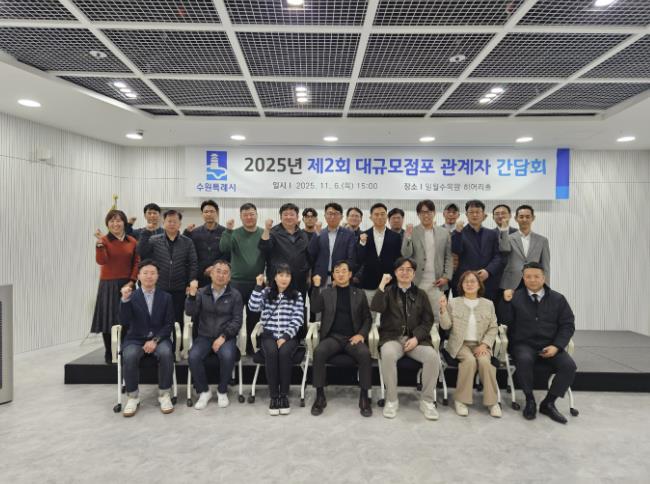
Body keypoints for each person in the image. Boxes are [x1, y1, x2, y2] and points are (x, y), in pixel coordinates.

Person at [500, 262, 576, 424]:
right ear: (523, 278)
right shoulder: (515, 297)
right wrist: (505, 302)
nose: (532, 280)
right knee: (524, 359)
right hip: (523, 344)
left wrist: (557, 346)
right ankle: (530, 400)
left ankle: (549, 403)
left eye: (536, 276)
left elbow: (568, 325)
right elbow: (505, 321)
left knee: (569, 366)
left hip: (551, 344)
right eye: (528, 276)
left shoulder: (558, 299)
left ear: (543, 278)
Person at [371, 257, 440, 420]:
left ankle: (427, 401)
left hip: (416, 341)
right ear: (395, 273)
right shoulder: (388, 291)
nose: (405, 273)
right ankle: (391, 400)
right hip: (392, 338)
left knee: (432, 356)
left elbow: (428, 321)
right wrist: (382, 285)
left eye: (409, 270)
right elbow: (376, 307)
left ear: (414, 274)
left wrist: (416, 338)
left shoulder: (421, 294)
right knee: (388, 354)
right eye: (401, 269)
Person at [309, 260, 373, 417]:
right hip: (333, 337)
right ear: (333, 275)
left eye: (344, 271)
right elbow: (315, 308)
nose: (341, 274)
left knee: (365, 354)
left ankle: (364, 397)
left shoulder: (359, 293)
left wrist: (361, 334)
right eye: (337, 271)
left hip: (353, 338)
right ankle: (320, 396)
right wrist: (316, 287)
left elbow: (367, 318)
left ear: (350, 274)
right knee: (319, 352)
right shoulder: (327, 293)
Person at [439, 271, 500, 418]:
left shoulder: (488, 304)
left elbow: (493, 327)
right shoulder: (453, 303)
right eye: (466, 282)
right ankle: (461, 400)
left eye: (473, 281)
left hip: (481, 344)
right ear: (461, 285)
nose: (470, 284)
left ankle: (492, 402)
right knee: (469, 361)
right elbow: (446, 326)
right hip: (460, 344)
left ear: (479, 285)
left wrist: (485, 345)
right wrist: (443, 309)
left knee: (485, 362)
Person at [118, 260, 175, 417]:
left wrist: (155, 340)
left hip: (159, 338)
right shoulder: (131, 296)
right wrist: (124, 300)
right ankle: (133, 397)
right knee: (129, 355)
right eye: (145, 273)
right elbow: (124, 321)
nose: (149, 276)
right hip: (135, 338)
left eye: (152, 273)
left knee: (166, 353)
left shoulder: (166, 297)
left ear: (158, 276)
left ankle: (164, 394)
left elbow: (169, 324)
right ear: (138, 276)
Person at [185, 261, 243, 410]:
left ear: (229, 277)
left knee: (228, 355)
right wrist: (192, 295)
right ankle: (204, 391)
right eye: (218, 271)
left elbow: (237, 321)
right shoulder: (201, 292)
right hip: (204, 336)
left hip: (226, 336)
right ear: (211, 273)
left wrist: (223, 337)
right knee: (193, 356)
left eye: (225, 272)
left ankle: (222, 390)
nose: (221, 275)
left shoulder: (235, 295)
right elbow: (190, 312)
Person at [248, 265, 305, 416]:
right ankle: (274, 396)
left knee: (284, 353)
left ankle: (284, 395)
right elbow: (253, 307)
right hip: (269, 335)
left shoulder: (296, 295)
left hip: (289, 336)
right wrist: (258, 286)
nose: (284, 278)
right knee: (272, 352)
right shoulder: (266, 292)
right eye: (281, 275)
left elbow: (298, 318)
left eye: (287, 275)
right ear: (275, 277)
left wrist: (285, 336)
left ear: (291, 278)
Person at [91, 209, 139, 364]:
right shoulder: (103, 240)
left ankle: (125, 349)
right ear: (107, 224)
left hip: (128, 284)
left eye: (118, 220)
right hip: (108, 284)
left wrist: (132, 281)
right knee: (108, 320)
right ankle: (109, 351)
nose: (115, 224)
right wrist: (99, 244)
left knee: (127, 319)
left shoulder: (132, 241)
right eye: (112, 221)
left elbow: (136, 263)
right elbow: (101, 261)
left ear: (124, 223)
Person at [137, 209, 198, 331]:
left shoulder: (187, 242)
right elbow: (141, 252)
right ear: (163, 223)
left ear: (180, 224)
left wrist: (191, 281)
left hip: (179, 287)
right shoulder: (154, 240)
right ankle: (160, 341)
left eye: (175, 221)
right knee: (158, 317)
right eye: (169, 221)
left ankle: (177, 342)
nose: (172, 224)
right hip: (159, 287)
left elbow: (193, 263)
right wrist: (145, 233)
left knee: (177, 319)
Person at [219, 202, 265, 352]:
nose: (249, 217)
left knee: (254, 316)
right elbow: (224, 248)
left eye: (252, 214)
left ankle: (252, 348)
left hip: (257, 283)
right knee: (233, 316)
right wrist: (228, 230)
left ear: (257, 215)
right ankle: (231, 347)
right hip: (237, 282)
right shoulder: (234, 233)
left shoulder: (263, 233)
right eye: (245, 215)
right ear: (241, 217)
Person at [401, 199, 452, 323]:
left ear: (434, 213)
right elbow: (406, 254)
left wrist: (446, 277)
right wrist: (407, 236)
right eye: (422, 212)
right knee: (416, 315)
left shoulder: (444, 233)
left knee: (437, 316)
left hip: (437, 282)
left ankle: (435, 336)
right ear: (418, 214)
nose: (426, 215)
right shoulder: (412, 231)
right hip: (417, 281)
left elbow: (448, 257)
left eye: (429, 212)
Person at [451, 200, 504, 302]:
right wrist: (458, 233)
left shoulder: (492, 234)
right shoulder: (458, 232)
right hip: (465, 282)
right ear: (466, 215)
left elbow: (498, 256)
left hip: (488, 282)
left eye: (478, 212)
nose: (474, 215)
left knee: (487, 310)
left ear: (483, 214)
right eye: (471, 212)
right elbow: (456, 250)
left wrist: (488, 271)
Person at [259, 203, 311, 299]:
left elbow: (307, 256)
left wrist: (308, 275)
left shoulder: (303, 235)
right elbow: (264, 248)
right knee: (278, 306)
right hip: (278, 281)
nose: (288, 217)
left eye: (292, 214)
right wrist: (267, 229)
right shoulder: (273, 232)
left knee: (298, 306)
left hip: (299, 281)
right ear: (280, 217)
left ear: (297, 217)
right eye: (285, 214)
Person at [356, 202, 402, 305]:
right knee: (369, 311)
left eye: (382, 214)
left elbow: (398, 259)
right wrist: (362, 243)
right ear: (371, 217)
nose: (380, 217)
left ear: (386, 216)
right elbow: (359, 258)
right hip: (369, 282)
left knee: (389, 311)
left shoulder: (395, 236)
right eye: (376, 214)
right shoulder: (363, 235)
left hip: (389, 283)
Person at [500, 205, 550, 291]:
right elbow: (504, 249)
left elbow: (545, 266)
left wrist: (546, 286)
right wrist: (504, 230)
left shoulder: (542, 240)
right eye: (521, 217)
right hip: (512, 282)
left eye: (527, 217)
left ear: (533, 218)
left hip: (533, 281)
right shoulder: (508, 238)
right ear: (516, 218)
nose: (524, 220)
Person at [308, 202, 356, 286]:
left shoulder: (349, 234)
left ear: (341, 217)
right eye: (330, 213)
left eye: (336, 214)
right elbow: (311, 254)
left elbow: (351, 258)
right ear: (325, 216)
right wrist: (316, 234)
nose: (332, 217)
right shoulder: (319, 233)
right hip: (320, 278)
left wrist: (342, 275)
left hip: (341, 279)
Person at [184, 200, 228, 288]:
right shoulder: (194, 232)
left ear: (217, 213)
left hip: (219, 275)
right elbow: (188, 253)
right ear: (202, 214)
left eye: (212, 211)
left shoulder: (225, 232)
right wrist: (186, 233)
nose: (209, 214)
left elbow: (227, 253)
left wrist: (214, 267)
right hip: (199, 276)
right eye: (206, 212)